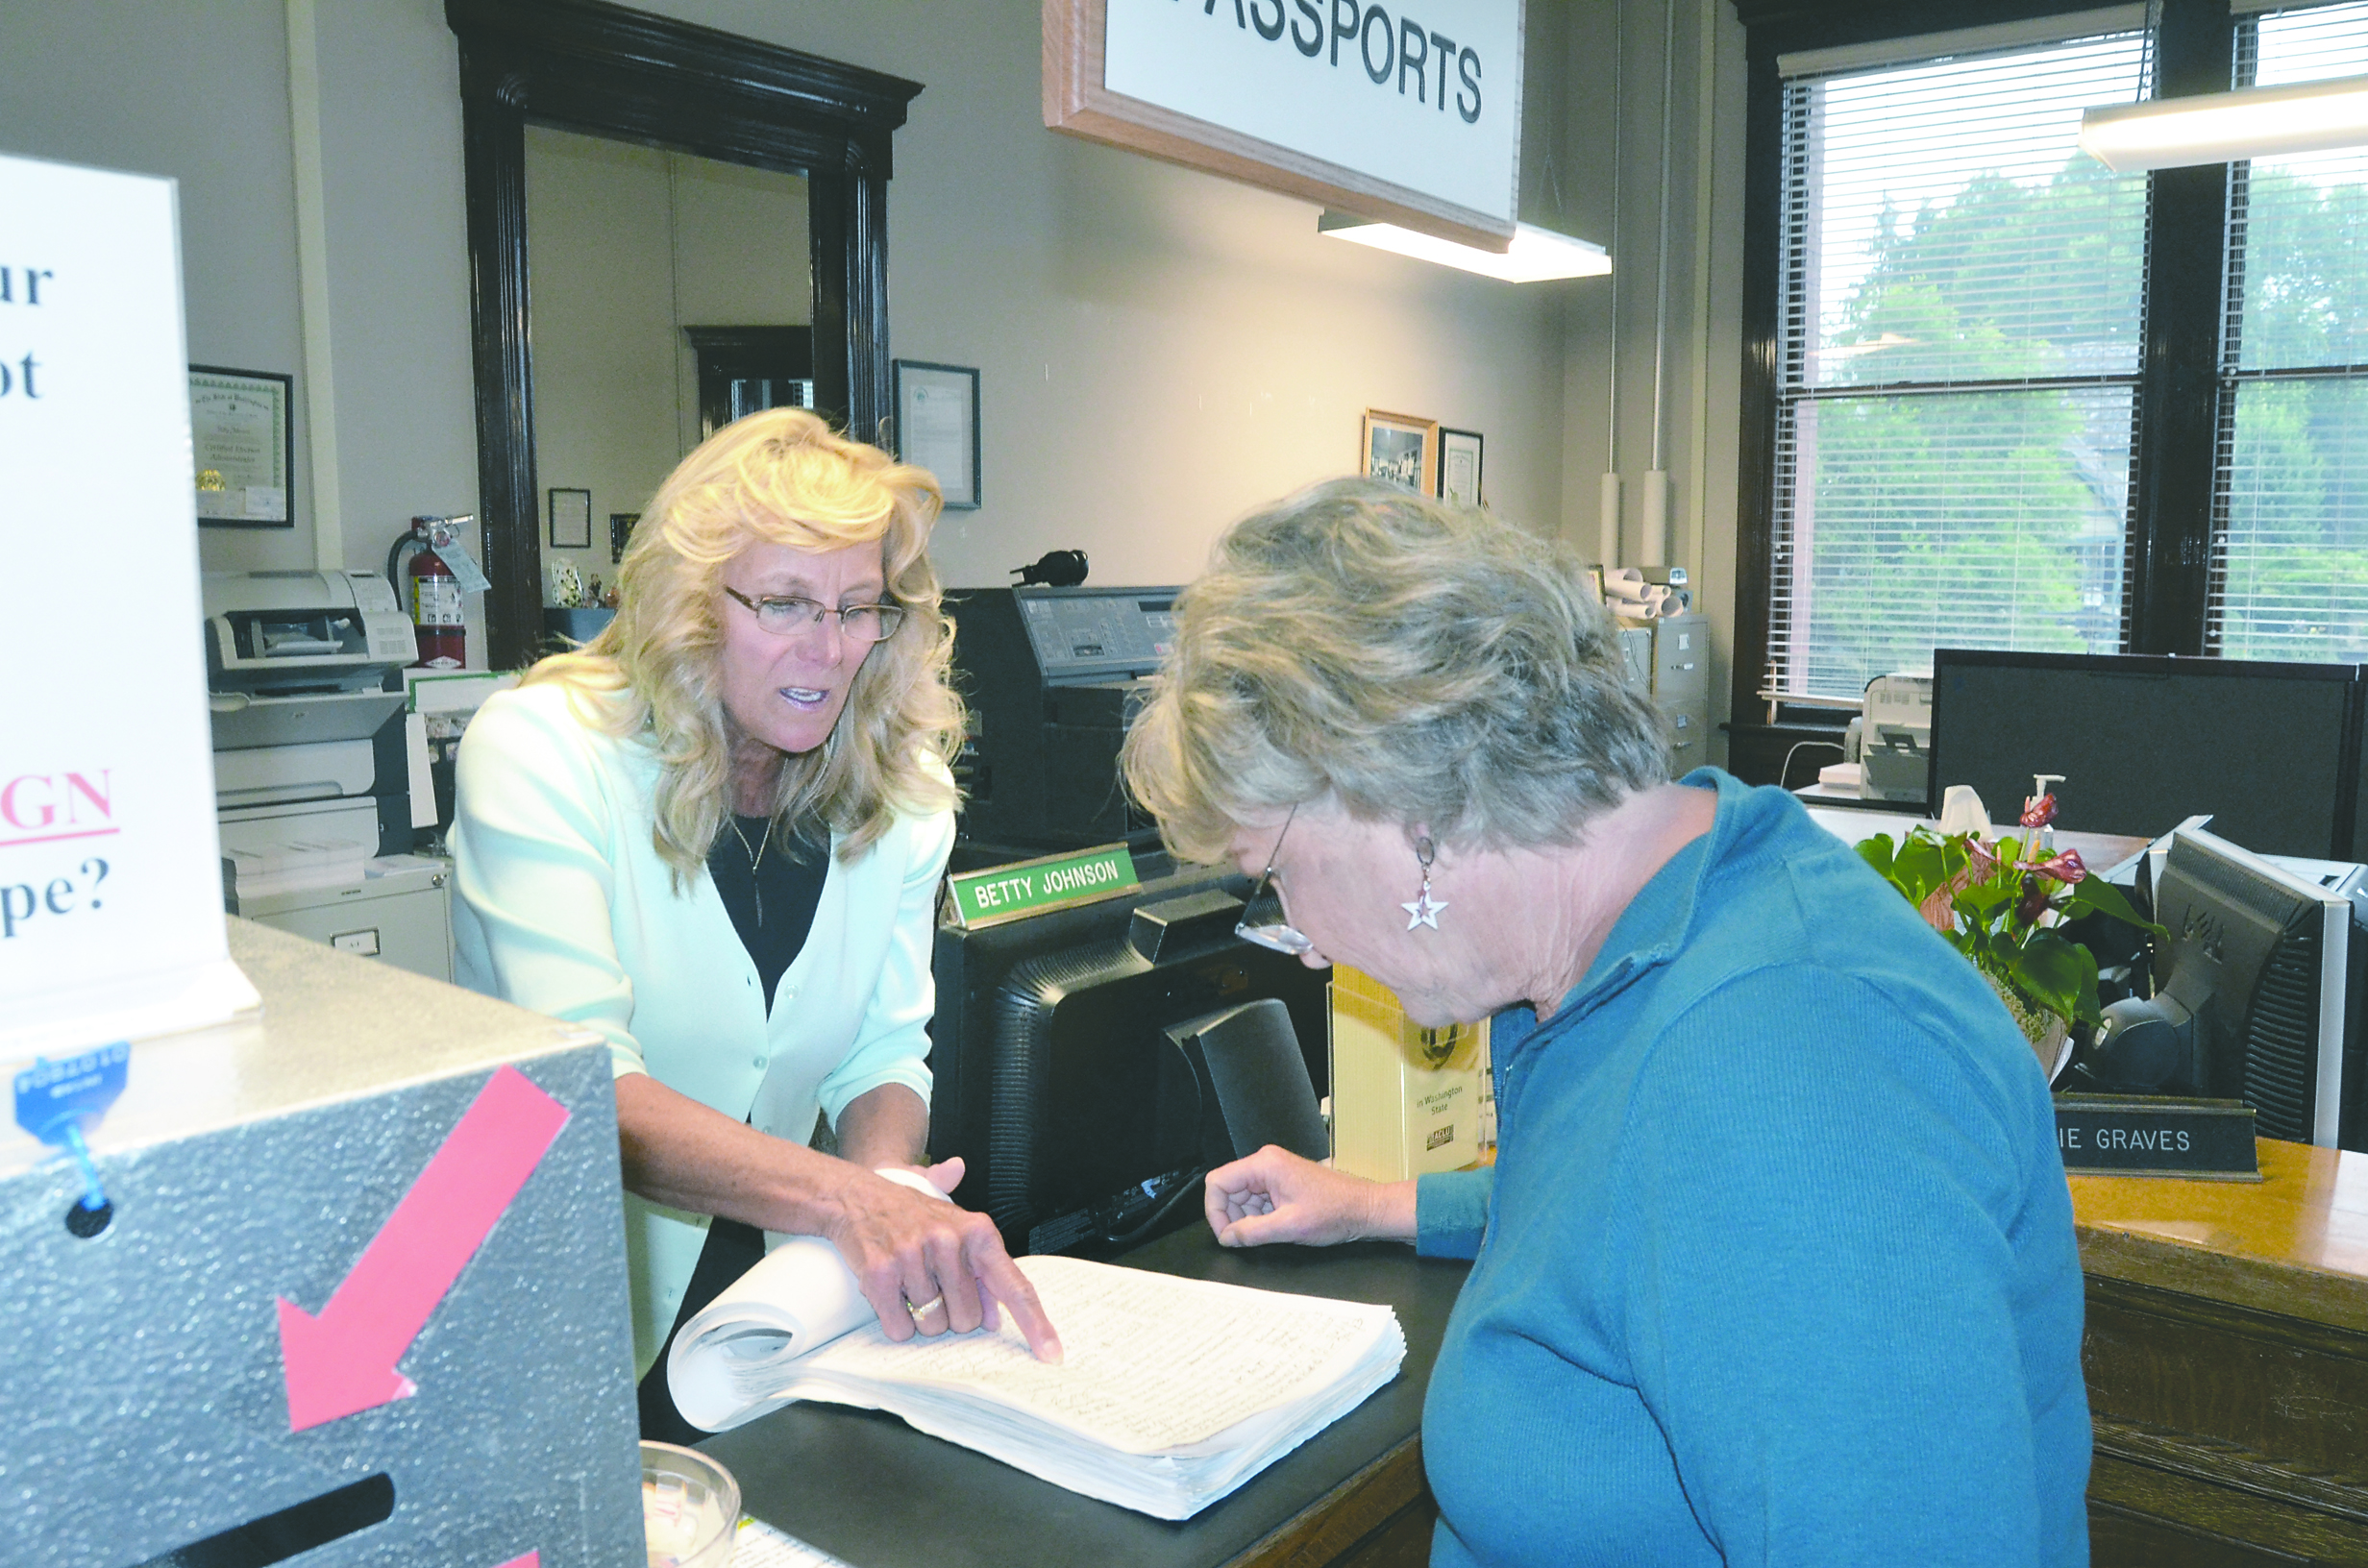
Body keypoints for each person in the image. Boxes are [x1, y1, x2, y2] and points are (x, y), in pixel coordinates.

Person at [1120, 478, 2089, 1567]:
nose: (1300, 938)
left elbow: (1751, 1187)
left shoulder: (1783, 1066)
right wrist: (1390, 1206)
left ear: (1406, 802)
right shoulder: (1660, 921)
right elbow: (1632, 1207)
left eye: (1277, 878)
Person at [452, 409, 1059, 1441]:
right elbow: (588, 1088)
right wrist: (852, 1205)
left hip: (766, 1298)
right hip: (559, 1285)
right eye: (783, 603)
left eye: (859, 608)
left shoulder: (902, 787)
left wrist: (886, 1192)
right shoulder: (542, 753)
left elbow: (880, 1052)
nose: (829, 650)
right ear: (691, 605)